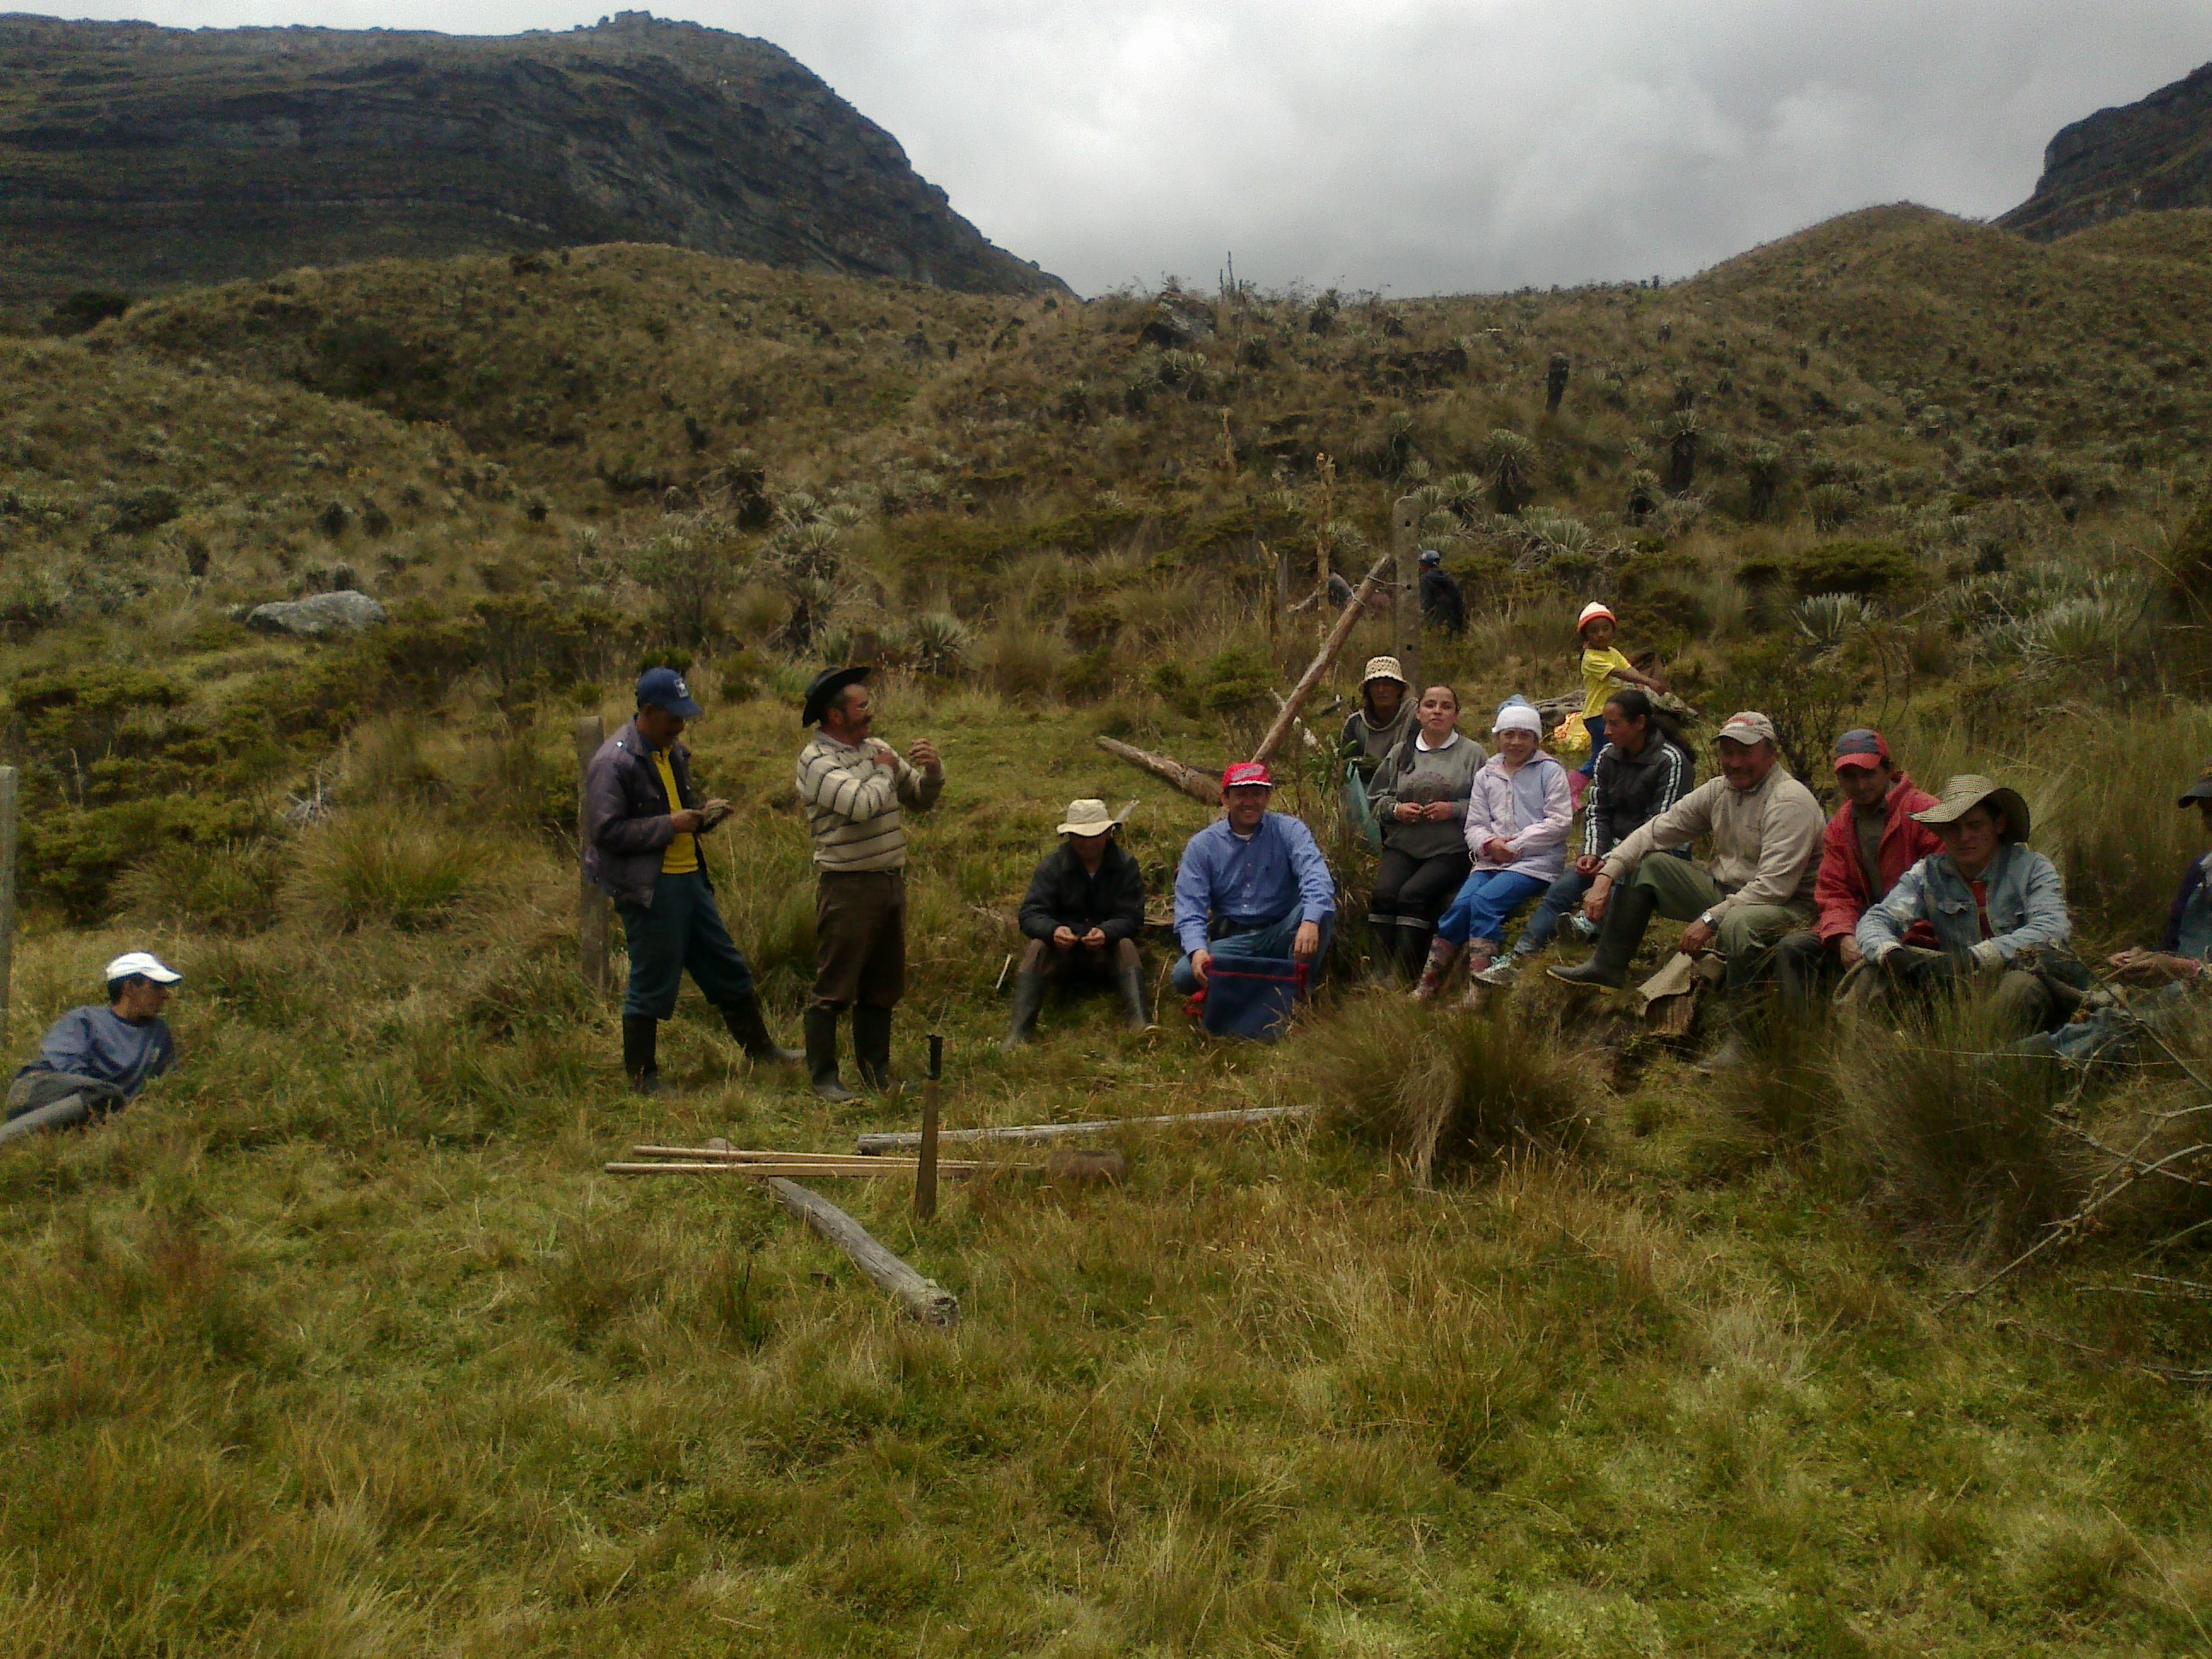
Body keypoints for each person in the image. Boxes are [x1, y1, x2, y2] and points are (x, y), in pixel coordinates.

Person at [1551, 711, 1824, 1062]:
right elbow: (1657, 830)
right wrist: (1608, 873)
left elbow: (1773, 887)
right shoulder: (1720, 790)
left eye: (1746, 752)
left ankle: (1743, 1039)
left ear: (1770, 752)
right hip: (1728, 891)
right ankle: (1608, 966)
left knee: (1740, 924)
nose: (1735, 763)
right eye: (1728, 753)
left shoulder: (1789, 801)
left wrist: (1711, 919)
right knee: (1647, 864)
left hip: (1787, 909)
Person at [584, 666, 798, 1095]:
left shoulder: (671, 752)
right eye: (673, 718)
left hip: (689, 879)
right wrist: (672, 823)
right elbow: (606, 832)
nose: (681, 726)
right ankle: (643, 1079)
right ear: (648, 711)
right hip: (650, 886)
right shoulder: (615, 761)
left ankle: (761, 1050)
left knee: (725, 963)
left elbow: (676, 811)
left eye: (684, 717)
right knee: (653, 978)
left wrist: (702, 814)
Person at [795, 666, 944, 1100]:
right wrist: (883, 772)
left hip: (888, 882)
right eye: (862, 707)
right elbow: (860, 805)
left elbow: (919, 798)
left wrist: (932, 771)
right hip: (847, 886)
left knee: (883, 985)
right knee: (834, 986)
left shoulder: (876, 749)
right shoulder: (815, 761)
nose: (871, 714)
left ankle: (876, 1071)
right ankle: (823, 1077)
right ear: (835, 715)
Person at [1481, 686, 1693, 986]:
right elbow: (1598, 810)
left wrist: (1608, 861)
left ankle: (1588, 927)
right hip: (1611, 851)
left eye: (1614, 724)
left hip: (1657, 855)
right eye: (1605, 724)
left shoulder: (1671, 762)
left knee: (1621, 887)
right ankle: (1518, 958)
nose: (1605, 732)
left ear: (1640, 723)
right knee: (1559, 892)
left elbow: (1660, 827)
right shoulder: (1608, 756)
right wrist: (1591, 853)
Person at [1856, 775, 2075, 1037]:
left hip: (2029, 977)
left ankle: (1973, 1061)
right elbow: (1876, 920)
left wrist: (1976, 958)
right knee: (1870, 974)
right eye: (1953, 827)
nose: (1963, 837)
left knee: (2019, 987)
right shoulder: (1928, 874)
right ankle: (1870, 1064)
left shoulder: (2032, 868)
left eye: (1974, 825)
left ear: (1999, 825)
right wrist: (1892, 955)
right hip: (1957, 986)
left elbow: (2053, 929)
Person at [1770, 729, 1941, 1004]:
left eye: (1869, 774)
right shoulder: (1841, 824)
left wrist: (1884, 942)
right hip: (1862, 929)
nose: (1860, 785)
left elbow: (1941, 893)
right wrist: (1844, 936)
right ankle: (1803, 1037)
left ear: (1888, 770)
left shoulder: (1925, 812)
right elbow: (1835, 893)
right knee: (1795, 948)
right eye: (1850, 776)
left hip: (1915, 935)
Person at [1413, 700, 1571, 997]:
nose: (1515, 742)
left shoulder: (1550, 772)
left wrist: (1515, 845)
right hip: (1490, 861)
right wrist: (1489, 844)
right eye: (1508, 734)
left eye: (1524, 735)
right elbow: (1474, 824)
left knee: (1485, 902)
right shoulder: (1487, 774)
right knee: (1459, 908)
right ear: (1497, 737)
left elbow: (1560, 822)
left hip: (1534, 863)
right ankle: (1428, 984)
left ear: (1537, 739)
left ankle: (1480, 989)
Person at [1170, 763, 1335, 996]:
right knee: (1184, 975)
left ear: (1267, 797)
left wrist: (1309, 922)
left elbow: (1316, 875)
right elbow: (1189, 907)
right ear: (1225, 799)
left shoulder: (1290, 830)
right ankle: (1257, 986)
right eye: (1240, 795)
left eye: (1257, 794)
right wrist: (1197, 950)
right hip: (1233, 939)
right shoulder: (1202, 846)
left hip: (1282, 931)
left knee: (1321, 910)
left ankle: (1299, 991)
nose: (1249, 802)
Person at [1005, 799, 1150, 1047]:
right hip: (1063, 954)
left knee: (1126, 945)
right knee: (1037, 947)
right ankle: (1019, 1033)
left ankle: (1140, 1023)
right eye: (1080, 836)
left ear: (1108, 833)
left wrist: (1107, 932)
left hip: (1107, 952)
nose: (1088, 842)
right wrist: (1053, 931)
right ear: (1069, 836)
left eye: (1095, 835)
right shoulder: (1052, 866)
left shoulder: (1125, 864)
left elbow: (1133, 917)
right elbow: (1030, 914)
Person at [1366, 684, 1483, 979]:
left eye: (1446, 706)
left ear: (1456, 714)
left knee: (1411, 894)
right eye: (1430, 705)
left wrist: (1453, 810)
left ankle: (1403, 974)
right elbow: (1375, 800)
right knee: (1383, 893)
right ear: (1418, 714)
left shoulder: (1472, 755)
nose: (1437, 712)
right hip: (1403, 845)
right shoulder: (1402, 752)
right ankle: (1377, 972)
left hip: (1452, 849)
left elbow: (1491, 805)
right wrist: (1396, 811)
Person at [3, 952, 180, 1138]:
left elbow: (168, 1081)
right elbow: (64, 1064)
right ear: (129, 988)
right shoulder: (85, 1019)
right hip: (37, 1089)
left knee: (105, 1100)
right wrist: (106, 1095)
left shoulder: (159, 1032)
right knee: (102, 1094)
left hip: (98, 1106)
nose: (164, 995)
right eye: (156, 987)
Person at [1573, 602, 1668, 778]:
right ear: (1586, 635)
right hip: (1597, 715)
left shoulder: (1612, 652)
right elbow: (1620, 673)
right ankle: (1573, 787)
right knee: (1601, 756)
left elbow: (1629, 668)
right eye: (1594, 631)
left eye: (1605, 628)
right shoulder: (1591, 658)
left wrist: (1641, 688)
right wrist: (1649, 682)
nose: (1601, 634)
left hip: (1613, 713)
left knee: (1619, 751)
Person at [1340, 656, 1413, 785]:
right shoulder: (1355, 724)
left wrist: (1383, 768)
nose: (1381, 690)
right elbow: (1345, 768)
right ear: (1368, 691)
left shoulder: (1415, 718)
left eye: (1387, 684)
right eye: (1375, 684)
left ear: (1399, 689)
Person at [1418, 549, 1466, 635]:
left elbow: (1426, 602)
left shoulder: (1425, 579)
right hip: (1454, 620)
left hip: (1436, 621)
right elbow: (1459, 600)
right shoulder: (1448, 577)